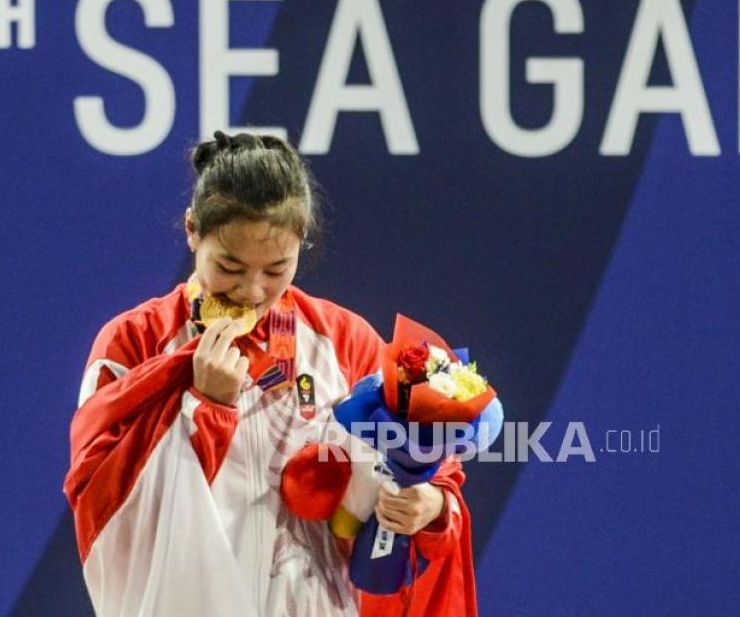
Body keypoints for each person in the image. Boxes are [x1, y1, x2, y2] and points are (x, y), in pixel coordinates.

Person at [64, 131, 477, 617]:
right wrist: (206, 410)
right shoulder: (134, 342)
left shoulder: (345, 340)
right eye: (230, 267)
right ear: (193, 230)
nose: (253, 291)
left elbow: (434, 475)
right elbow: (105, 506)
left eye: (277, 269)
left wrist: (430, 507)